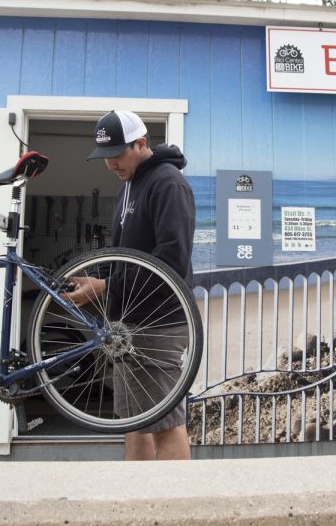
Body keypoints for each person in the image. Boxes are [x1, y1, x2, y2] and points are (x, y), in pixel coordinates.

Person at [65, 109, 196, 461]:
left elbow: (172, 257)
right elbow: (127, 254)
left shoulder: (168, 183)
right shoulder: (129, 186)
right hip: (127, 325)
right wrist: (99, 283)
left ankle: (178, 509)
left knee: (166, 422)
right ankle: (135, 503)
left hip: (161, 322)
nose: (110, 164)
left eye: (117, 154)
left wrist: (105, 285)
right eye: (104, 157)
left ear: (141, 143)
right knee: (134, 421)